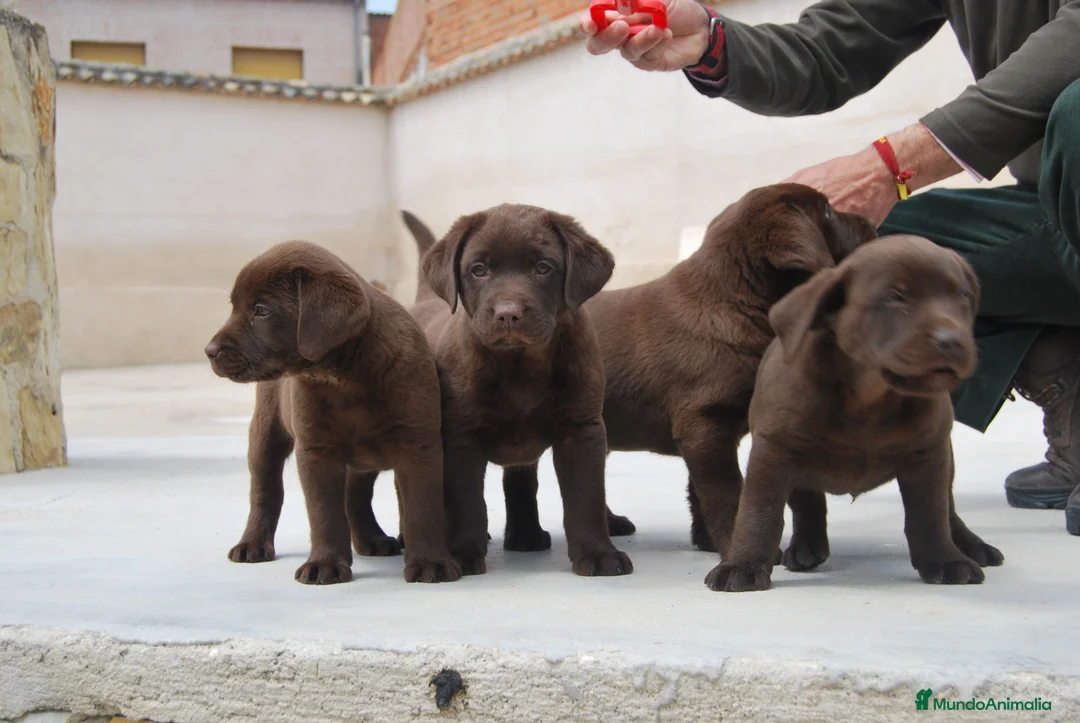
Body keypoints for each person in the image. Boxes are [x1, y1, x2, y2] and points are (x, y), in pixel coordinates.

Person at [583, 0, 1080, 535]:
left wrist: (893, 165)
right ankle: (1061, 367)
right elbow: (832, 46)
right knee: (872, 258)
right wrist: (711, 41)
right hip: (1053, 203)